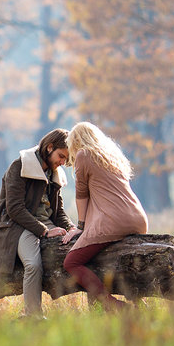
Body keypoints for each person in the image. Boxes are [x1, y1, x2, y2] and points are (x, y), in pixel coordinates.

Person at [0, 128, 74, 319]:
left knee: (80, 249)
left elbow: (58, 212)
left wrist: (72, 228)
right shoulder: (19, 167)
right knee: (33, 264)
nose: (62, 163)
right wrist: (44, 231)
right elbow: (15, 209)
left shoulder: (54, 173)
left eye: (65, 159)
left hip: (45, 223)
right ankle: (32, 316)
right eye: (61, 156)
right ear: (49, 148)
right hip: (19, 225)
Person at [61, 121, 148, 310]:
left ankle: (114, 306)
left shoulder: (84, 155)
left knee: (72, 262)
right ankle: (139, 305)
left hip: (114, 220)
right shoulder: (111, 156)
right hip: (137, 217)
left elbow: (81, 194)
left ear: (76, 142)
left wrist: (80, 226)